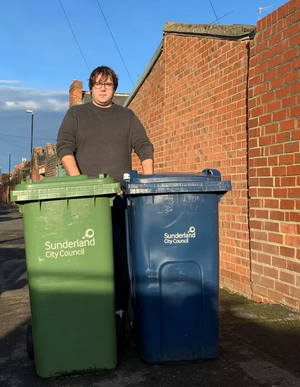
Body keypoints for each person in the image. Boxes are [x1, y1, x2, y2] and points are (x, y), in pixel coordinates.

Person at [56, 66, 154, 338]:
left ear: (114, 88)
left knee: (121, 257)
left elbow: (144, 145)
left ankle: (120, 313)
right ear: (90, 88)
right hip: (86, 201)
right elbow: (64, 146)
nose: (103, 88)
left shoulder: (127, 116)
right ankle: (89, 310)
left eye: (108, 84)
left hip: (119, 200)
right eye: (98, 84)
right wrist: (79, 183)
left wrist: (147, 180)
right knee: (87, 257)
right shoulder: (77, 114)